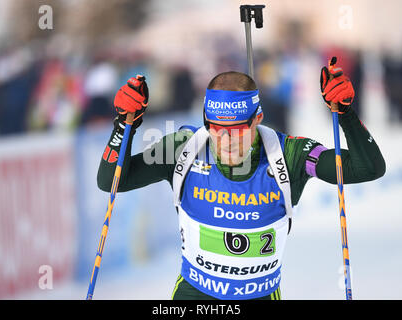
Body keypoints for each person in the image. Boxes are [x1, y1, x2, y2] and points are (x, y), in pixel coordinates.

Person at [96, 60, 385, 300]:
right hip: (194, 295)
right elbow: (111, 181)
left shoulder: (289, 153)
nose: (225, 140)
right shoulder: (183, 147)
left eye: (237, 129)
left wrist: (345, 113)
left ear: (257, 119)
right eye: (217, 129)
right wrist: (125, 123)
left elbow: (367, 168)